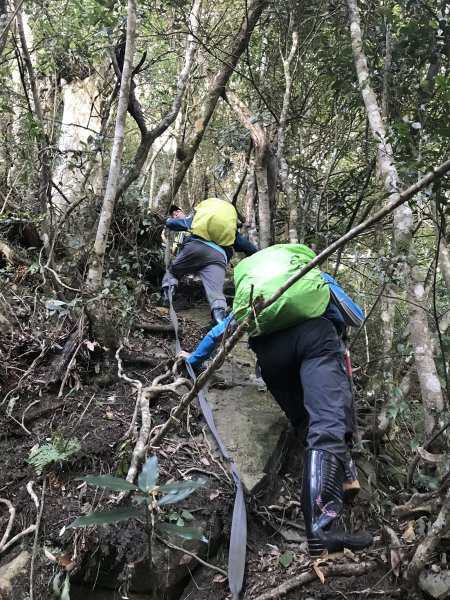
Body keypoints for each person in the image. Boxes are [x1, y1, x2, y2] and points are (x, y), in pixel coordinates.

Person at [176, 263, 373, 558]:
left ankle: (341, 477)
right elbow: (354, 313)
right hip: (315, 338)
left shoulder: (258, 293)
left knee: (307, 424)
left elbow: (225, 326)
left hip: (270, 356)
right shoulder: (312, 276)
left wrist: (194, 359)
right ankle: (323, 532)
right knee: (327, 422)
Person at [160, 204, 257, 324]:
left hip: (195, 247)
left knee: (173, 272)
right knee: (215, 293)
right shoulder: (229, 229)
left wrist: (167, 220)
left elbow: (175, 224)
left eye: (177, 212)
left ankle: (166, 299)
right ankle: (220, 322)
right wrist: (259, 256)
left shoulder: (200, 219)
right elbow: (249, 248)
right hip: (218, 257)